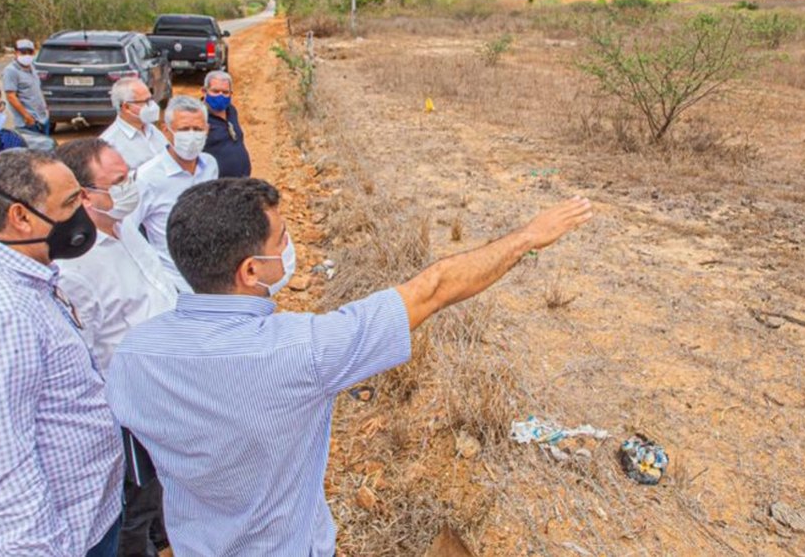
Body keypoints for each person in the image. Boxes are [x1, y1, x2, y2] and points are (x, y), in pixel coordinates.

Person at [106, 178, 593, 555]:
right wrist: (529, 236)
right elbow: (435, 288)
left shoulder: (132, 356)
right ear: (250, 270)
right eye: (281, 239)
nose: (288, 247)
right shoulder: (304, 350)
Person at [0, 149, 123, 556]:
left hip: (85, 513)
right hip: (64, 538)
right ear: (21, 217)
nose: (84, 209)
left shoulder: (18, 279)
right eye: (70, 202)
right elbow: (3, 474)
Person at [55, 139, 175, 557]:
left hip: (165, 390)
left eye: (130, 177)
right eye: (118, 181)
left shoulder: (123, 227)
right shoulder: (75, 268)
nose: (130, 187)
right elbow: (86, 356)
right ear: (83, 194)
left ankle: (161, 540)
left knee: (159, 487)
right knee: (133, 504)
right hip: (129, 407)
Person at [129, 96, 218, 292]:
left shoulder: (209, 165)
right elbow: (127, 231)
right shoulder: (148, 178)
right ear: (167, 132)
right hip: (173, 284)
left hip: (211, 279)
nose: (192, 136)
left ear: (207, 130)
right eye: (184, 130)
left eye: (198, 129)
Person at [99, 77, 169, 171]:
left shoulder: (153, 130)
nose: (152, 106)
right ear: (127, 107)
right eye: (146, 101)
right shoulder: (109, 145)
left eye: (151, 99)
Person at [201, 71, 251, 178]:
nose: (220, 95)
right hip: (217, 187)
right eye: (215, 91)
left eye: (225, 92)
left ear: (231, 94)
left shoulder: (231, 111)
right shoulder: (199, 118)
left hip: (241, 183)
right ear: (204, 91)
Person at [2, 38, 49, 135]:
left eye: (30, 52)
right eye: (23, 52)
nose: (26, 55)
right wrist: (27, 117)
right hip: (28, 122)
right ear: (16, 53)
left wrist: (45, 107)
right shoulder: (11, 71)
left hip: (42, 118)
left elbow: (37, 88)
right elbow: (11, 96)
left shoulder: (32, 67)